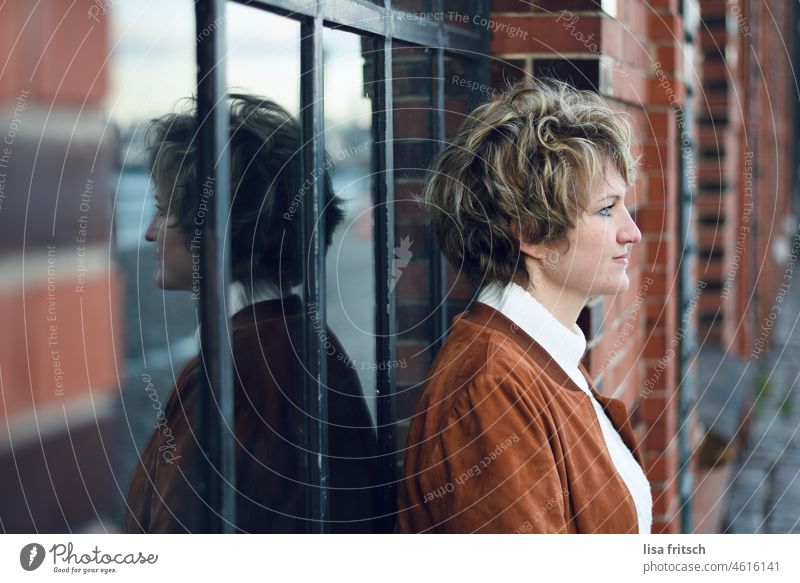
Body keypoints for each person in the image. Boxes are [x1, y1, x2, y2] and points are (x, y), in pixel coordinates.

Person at [396, 77, 652, 533]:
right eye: (606, 209)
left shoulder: (543, 350)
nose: (631, 232)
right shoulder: (491, 388)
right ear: (530, 231)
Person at [124, 93, 379, 533]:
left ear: (220, 229)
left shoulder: (241, 372)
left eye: (164, 210)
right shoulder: (301, 343)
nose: (148, 233)